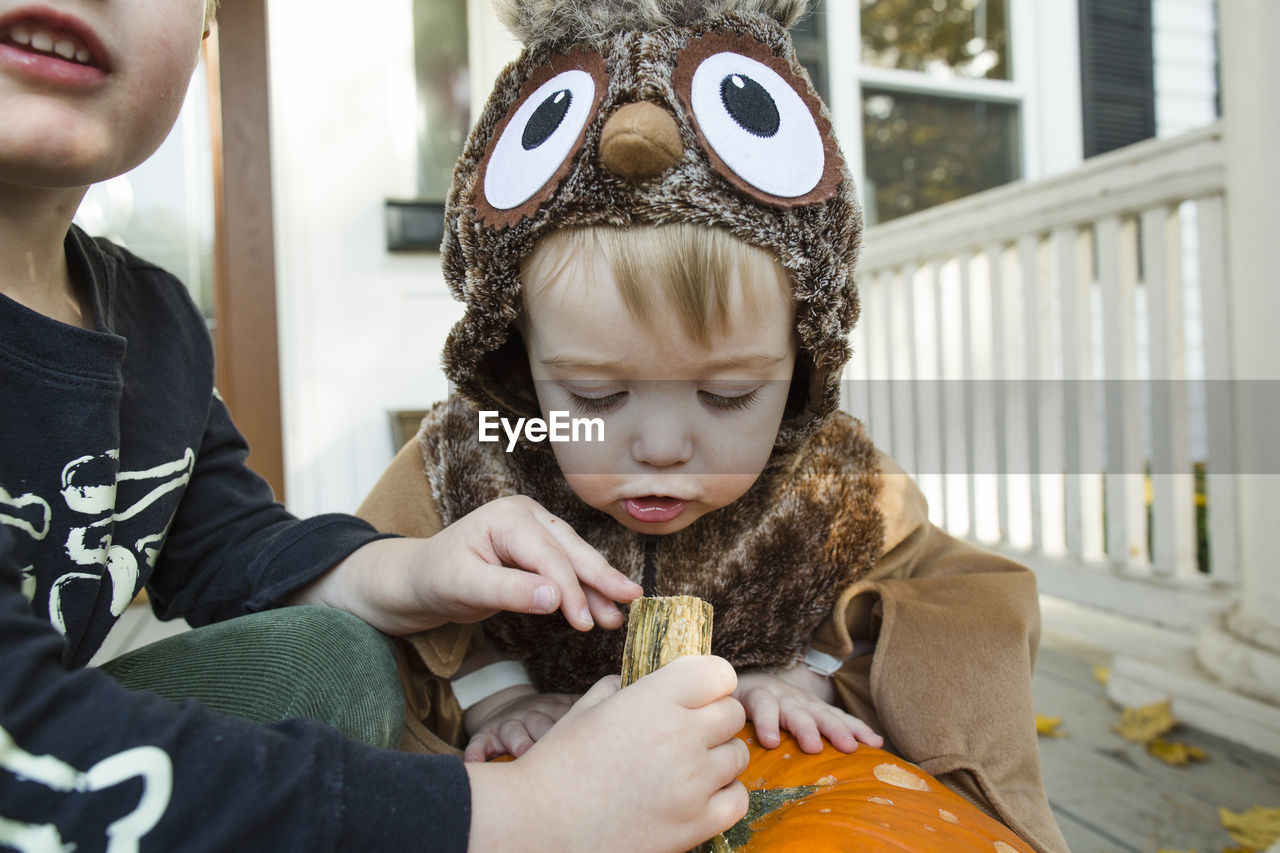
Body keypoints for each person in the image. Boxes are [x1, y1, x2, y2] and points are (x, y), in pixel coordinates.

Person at [0, 0, 751, 849]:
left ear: (208, 25)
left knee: (330, 656)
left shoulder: (157, 324)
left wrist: (416, 568)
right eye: (598, 395)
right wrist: (529, 814)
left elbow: (227, 547)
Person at [358, 1, 1070, 852]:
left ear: (801, 363)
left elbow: (955, 603)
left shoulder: (825, 483)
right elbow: (389, 586)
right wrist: (499, 696)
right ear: (519, 359)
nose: (662, 446)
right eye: (594, 397)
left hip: (771, 784)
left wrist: (819, 681)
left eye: (729, 395)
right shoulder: (487, 458)